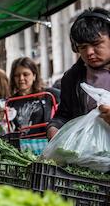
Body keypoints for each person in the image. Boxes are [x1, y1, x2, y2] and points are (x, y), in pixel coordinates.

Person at [47, 8, 110, 139]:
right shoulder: (71, 78)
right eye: (82, 47)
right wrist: (54, 128)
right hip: (90, 153)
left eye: (96, 44)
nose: (89, 52)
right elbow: (63, 115)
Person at [9, 57, 59, 137]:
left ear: (34, 76)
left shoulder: (48, 94)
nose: (21, 78)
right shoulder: (10, 102)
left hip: (45, 144)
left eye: (26, 74)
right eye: (17, 75)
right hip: (18, 147)